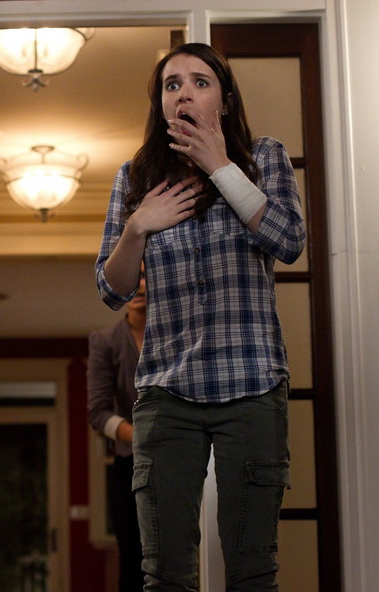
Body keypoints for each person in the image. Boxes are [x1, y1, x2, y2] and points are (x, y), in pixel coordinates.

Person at [94, 42, 305, 591]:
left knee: (253, 572)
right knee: (164, 574)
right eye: (172, 85)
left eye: (199, 81)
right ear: (161, 104)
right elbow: (112, 291)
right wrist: (138, 226)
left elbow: (289, 242)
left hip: (252, 386)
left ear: (225, 100)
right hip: (167, 394)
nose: (184, 92)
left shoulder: (263, 158)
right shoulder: (134, 177)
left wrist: (220, 167)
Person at [86, 271, 146, 592]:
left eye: (147, 276)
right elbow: (98, 413)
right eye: (133, 277)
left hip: (182, 458)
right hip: (130, 465)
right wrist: (139, 436)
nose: (140, 286)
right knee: (134, 560)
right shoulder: (105, 341)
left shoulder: (179, 333)